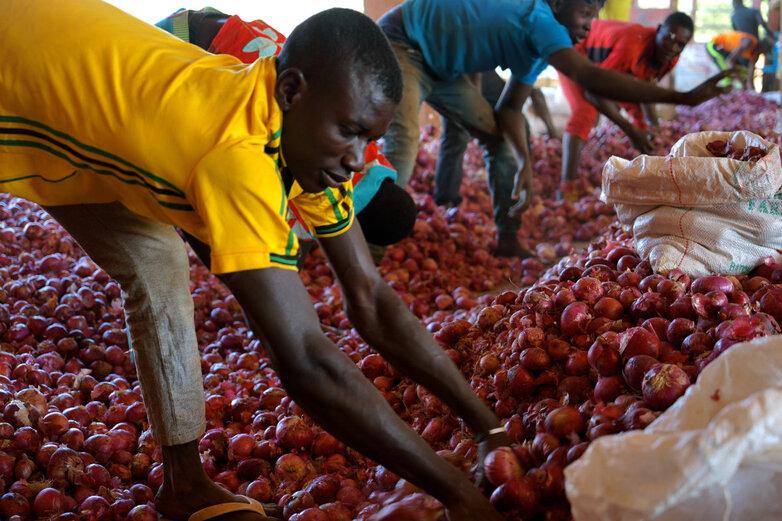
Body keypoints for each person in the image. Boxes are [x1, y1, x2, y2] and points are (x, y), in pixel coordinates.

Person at [0, 2, 509, 521]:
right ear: (291, 91)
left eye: (370, 140)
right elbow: (306, 362)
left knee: (158, 264)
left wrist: (488, 426)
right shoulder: (239, 156)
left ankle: (184, 487)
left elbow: (371, 296)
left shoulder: (300, 135)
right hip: (14, 65)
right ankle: (184, 484)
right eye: (350, 131)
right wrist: (458, 493)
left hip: (78, 81)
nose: (358, 159)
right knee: (158, 263)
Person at [377, 0, 730, 258]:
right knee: (405, 139)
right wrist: (683, 97)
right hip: (403, 43)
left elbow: (510, 109)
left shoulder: (537, 48)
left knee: (501, 140)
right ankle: (371, 247)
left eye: (596, 15)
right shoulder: (539, 18)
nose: (591, 25)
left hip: (444, 71)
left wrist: (524, 162)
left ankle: (507, 237)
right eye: (587, 11)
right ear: (559, 3)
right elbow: (590, 77)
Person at [157, 8, 418, 258]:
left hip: (215, 28)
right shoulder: (320, 164)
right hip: (180, 47)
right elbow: (209, 217)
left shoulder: (353, 137)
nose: (357, 161)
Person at [558, 12, 695, 201]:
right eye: (669, 37)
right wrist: (630, 130)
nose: (672, 46)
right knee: (586, 112)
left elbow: (645, 88)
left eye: (680, 44)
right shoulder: (632, 47)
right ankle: (566, 189)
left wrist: (652, 126)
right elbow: (595, 91)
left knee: (642, 124)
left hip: (603, 66)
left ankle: (645, 176)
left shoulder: (671, 57)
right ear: (658, 29)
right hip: (576, 47)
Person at [433, 71, 535, 211]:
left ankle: (514, 194)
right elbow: (474, 65)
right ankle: (446, 200)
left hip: (481, 70)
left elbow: (512, 108)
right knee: (456, 133)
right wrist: (472, 109)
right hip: (452, 66)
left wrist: (524, 161)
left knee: (515, 128)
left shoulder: (531, 61)